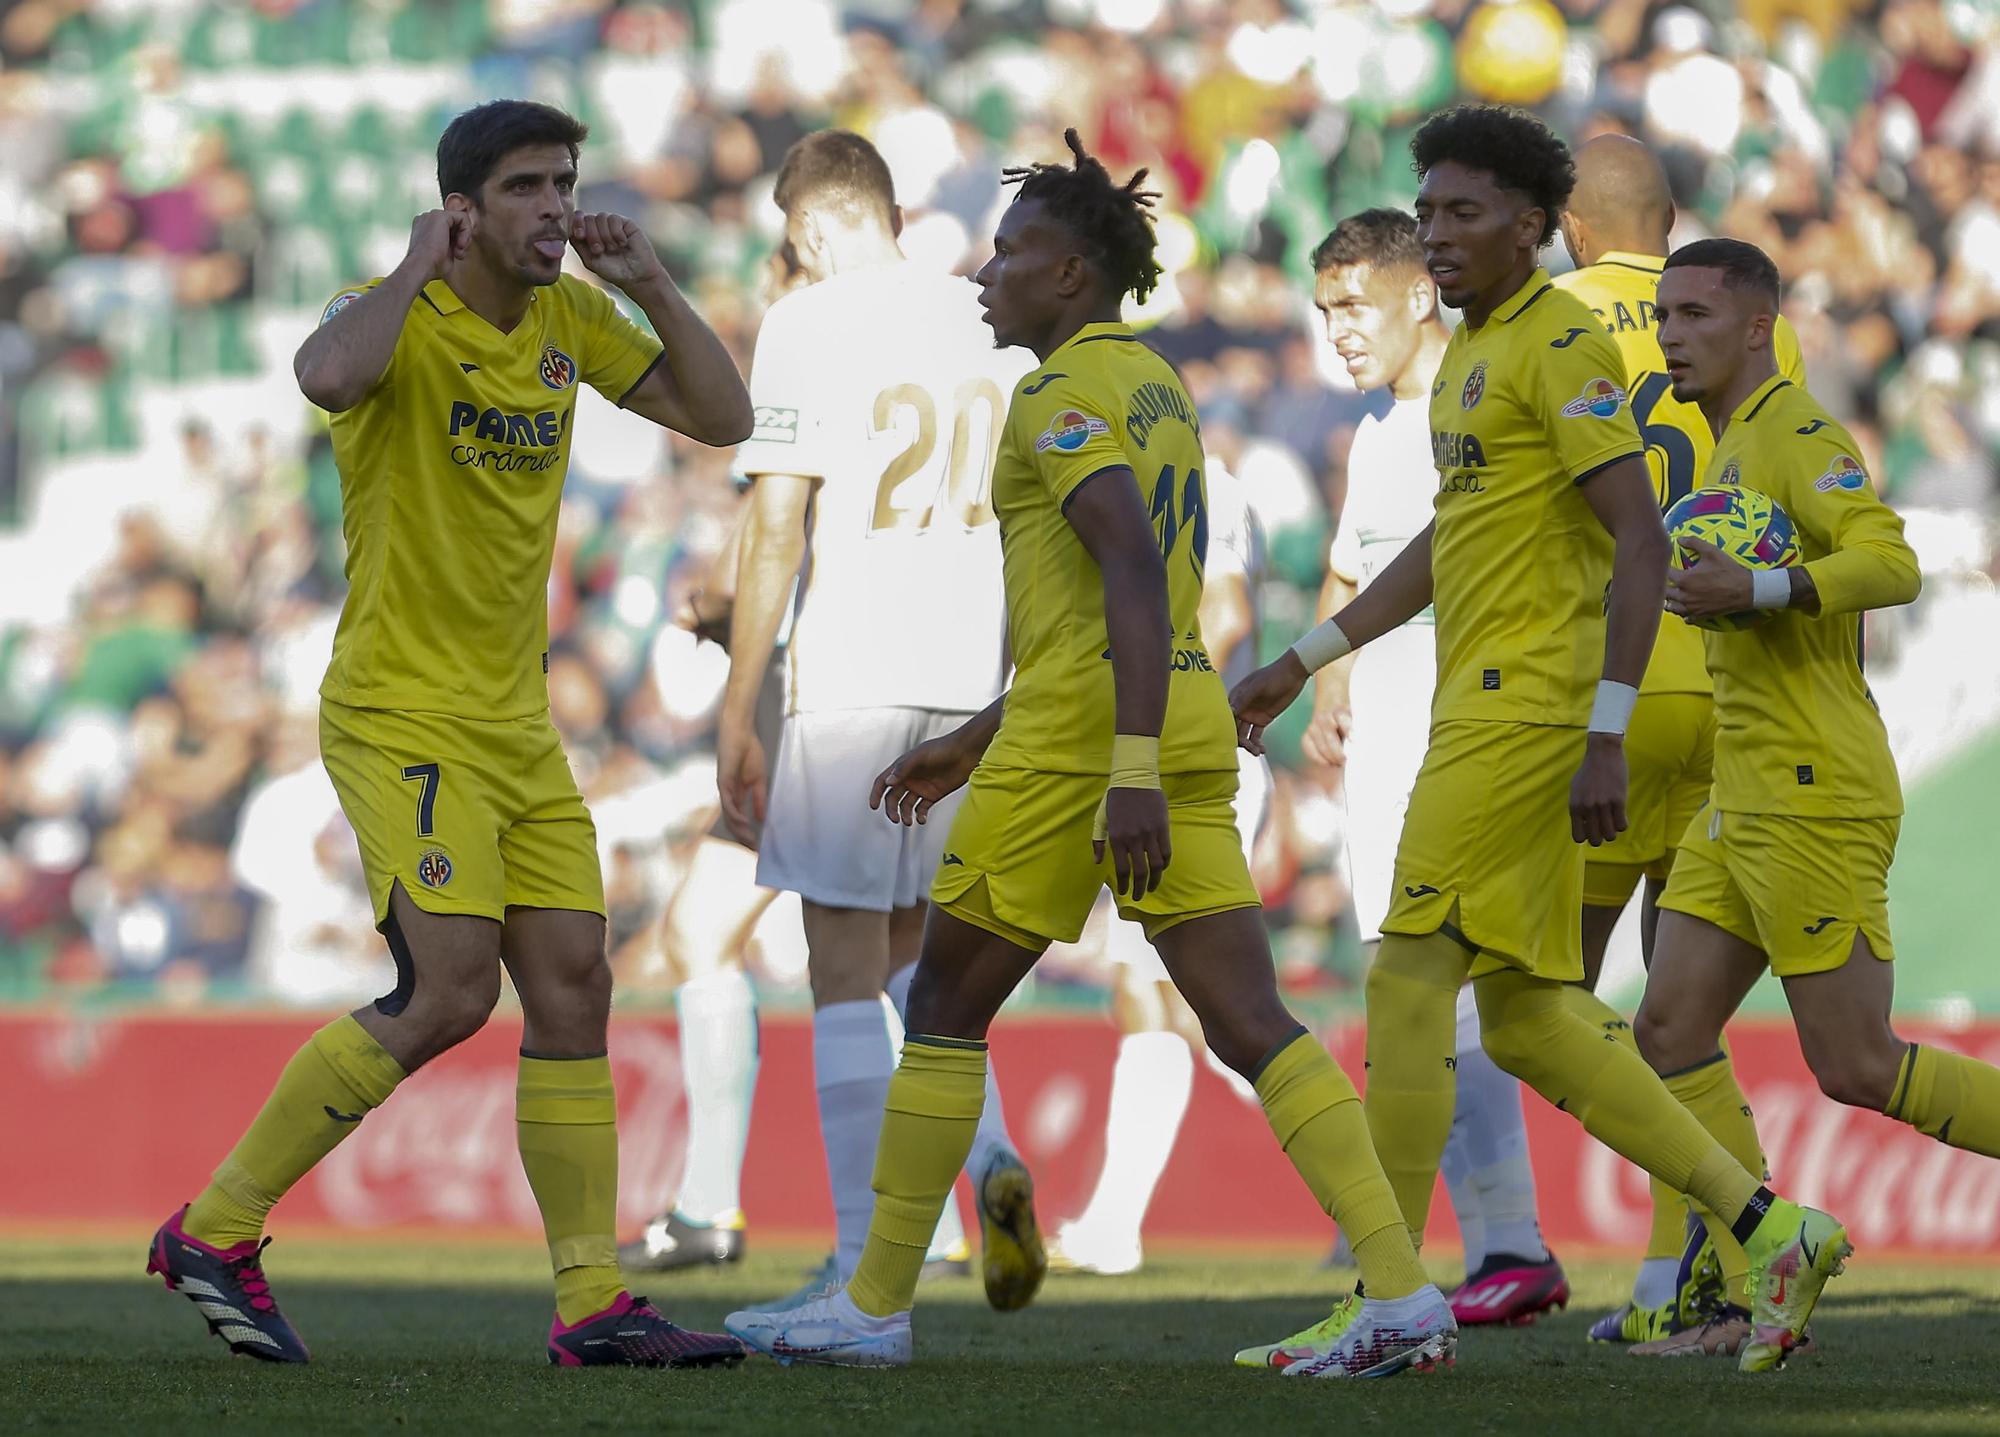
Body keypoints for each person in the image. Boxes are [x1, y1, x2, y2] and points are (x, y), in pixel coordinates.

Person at [724, 129, 1456, 1378]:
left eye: (1009, 253)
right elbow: (1117, 600)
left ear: (1068, 275)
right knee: (1251, 1021)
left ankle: (871, 1305)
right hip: (1171, 720)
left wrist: (1098, 765)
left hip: (1088, 751)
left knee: (943, 1008)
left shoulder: (1055, 394)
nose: (982, 275)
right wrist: (976, 733)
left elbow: (1121, 563)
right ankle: (1399, 1292)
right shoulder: (1159, 386)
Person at [1230, 105, 1849, 1376]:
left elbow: (1636, 537)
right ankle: (1764, 1225)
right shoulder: (1471, 356)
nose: (1438, 235)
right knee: (1519, 1016)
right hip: (1487, 698)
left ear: (1532, 224)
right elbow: (1447, 548)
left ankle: (1392, 1300)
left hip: (1532, 707)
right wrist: (1306, 657)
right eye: (1430, 212)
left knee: (1405, 976)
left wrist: (1605, 730)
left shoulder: (1558, 340)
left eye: (1464, 214)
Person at [144, 99, 754, 1368]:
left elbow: (722, 417)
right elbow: (322, 377)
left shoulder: (574, 317)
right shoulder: (392, 311)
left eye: (563, 183)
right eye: (526, 187)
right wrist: (420, 261)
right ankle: (215, 1228)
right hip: (398, 710)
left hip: (514, 723)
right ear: (465, 207)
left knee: (577, 985)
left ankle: (591, 1307)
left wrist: (649, 279)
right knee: (451, 992)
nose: (553, 208)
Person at [1630, 237, 2000, 1357]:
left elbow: (1885, 562)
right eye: (1662, 317)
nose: (1671, 335)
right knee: (1665, 1028)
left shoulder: (1795, 433)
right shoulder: (1723, 444)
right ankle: (1759, 1268)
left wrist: (1764, 583)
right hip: (1737, 787)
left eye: (1694, 314)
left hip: (1809, 785)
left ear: (1755, 326)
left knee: (1851, 1066)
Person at [714, 130, 1036, 1312]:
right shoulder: (983, 315)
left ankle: (858, 1272)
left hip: (852, 673)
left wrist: (740, 701)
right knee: (920, 963)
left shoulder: (804, 320)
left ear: (805, 230)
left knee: (842, 965)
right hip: (973, 679)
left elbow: (776, 524)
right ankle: (992, 1156)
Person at [1552, 134, 1811, 1346]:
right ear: (1672, 219)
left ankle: (1429, 1261)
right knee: (1680, 1015)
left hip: (1601, 692)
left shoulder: (1547, 319)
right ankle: (1680, 1279)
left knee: (1540, 992)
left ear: (1565, 229)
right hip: (1725, 684)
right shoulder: (1754, 323)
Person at [1306, 208, 1567, 1327]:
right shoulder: (1373, 437)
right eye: (1324, 313)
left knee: (1448, 996)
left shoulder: (1479, 409)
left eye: (1354, 305)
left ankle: (1471, 1248)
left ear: (1420, 295)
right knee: (1424, 995)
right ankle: (1498, 1247)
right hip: (1386, 740)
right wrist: (1325, 685)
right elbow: (1347, 574)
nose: (1338, 334)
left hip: (1464, 728)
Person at [1047, 456, 1270, 1278]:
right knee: (1157, 996)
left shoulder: (1190, 475)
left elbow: (1227, 610)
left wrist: (1151, 723)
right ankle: (1111, 1227)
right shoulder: (1171, 471)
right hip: (1164, 762)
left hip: (1176, 766)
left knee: (1211, 1007)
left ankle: (1363, 1154)